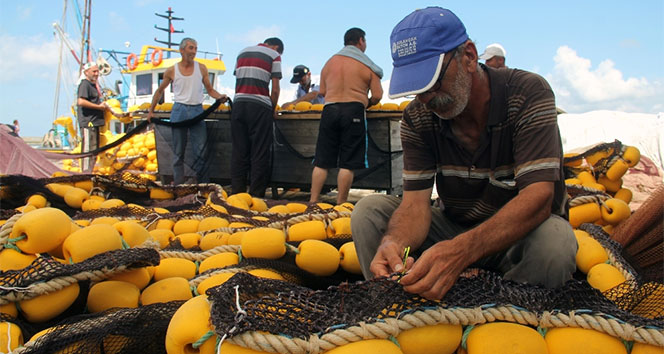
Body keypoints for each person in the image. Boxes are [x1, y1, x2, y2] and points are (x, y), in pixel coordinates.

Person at [351, 7, 577, 301]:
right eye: (417, 89)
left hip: (518, 236)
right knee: (369, 213)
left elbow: (539, 198)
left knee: (555, 244)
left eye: (433, 82)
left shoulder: (527, 93)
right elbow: (415, 205)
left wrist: (462, 251)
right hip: (453, 227)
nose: (427, 98)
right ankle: (397, 312)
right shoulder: (418, 117)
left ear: (469, 56)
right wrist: (394, 243)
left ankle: (508, 320)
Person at [309, 28, 383, 204]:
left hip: (330, 110)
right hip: (353, 110)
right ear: (360, 41)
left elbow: (324, 91)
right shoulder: (367, 65)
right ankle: (340, 204)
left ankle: (312, 202)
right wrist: (367, 102)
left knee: (321, 161)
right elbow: (378, 95)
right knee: (347, 163)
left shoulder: (329, 63)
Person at [148, 37, 227, 185]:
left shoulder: (201, 68)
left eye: (195, 48)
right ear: (182, 50)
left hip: (197, 110)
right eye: (191, 48)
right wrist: (151, 111)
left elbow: (210, 90)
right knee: (178, 153)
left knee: (201, 152)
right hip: (179, 110)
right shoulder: (172, 70)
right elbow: (159, 91)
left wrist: (220, 96)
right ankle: (178, 186)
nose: (194, 51)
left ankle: (202, 186)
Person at [230, 37, 284, 197]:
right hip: (259, 106)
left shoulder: (242, 53)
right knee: (259, 152)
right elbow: (275, 89)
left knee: (239, 152)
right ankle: (256, 196)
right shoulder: (274, 55)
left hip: (239, 104)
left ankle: (237, 196)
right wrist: (272, 108)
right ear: (276, 47)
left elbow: (238, 81)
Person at [77, 62, 111, 172]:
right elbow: (81, 101)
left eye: (97, 71)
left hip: (94, 123)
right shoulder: (85, 84)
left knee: (94, 150)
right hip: (88, 123)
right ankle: (85, 173)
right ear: (86, 72)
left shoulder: (92, 85)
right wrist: (98, 107)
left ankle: (90, 172)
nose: (96, 74)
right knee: (88, 150)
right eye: (94, 71)